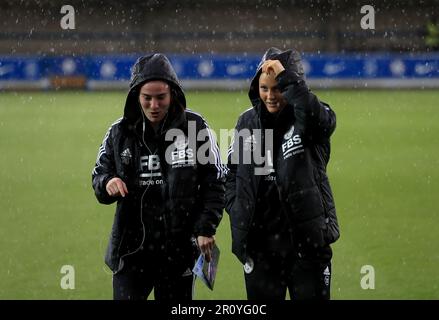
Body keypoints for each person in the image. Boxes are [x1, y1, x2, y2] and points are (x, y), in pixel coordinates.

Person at [92, 53, 226, 300]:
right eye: (147, 98)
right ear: (136, 97)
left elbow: (215, 181)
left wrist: (205, 227)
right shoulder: (119, 132)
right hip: (131, 253)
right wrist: (107, 182)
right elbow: (100, 173)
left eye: (161, 97)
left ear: (173, 94)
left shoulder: (196, 129)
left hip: (178, 252)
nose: (154, 105)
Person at [225, 47, 340, 300]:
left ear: (291, 85)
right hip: (261, 250)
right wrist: (237, 207)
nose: (270, 96)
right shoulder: (246, 122)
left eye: (277, 88)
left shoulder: (310, 118)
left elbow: (318, 118)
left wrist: (287, 77)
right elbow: (231, 173)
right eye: (264, 88)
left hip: (307, 248)